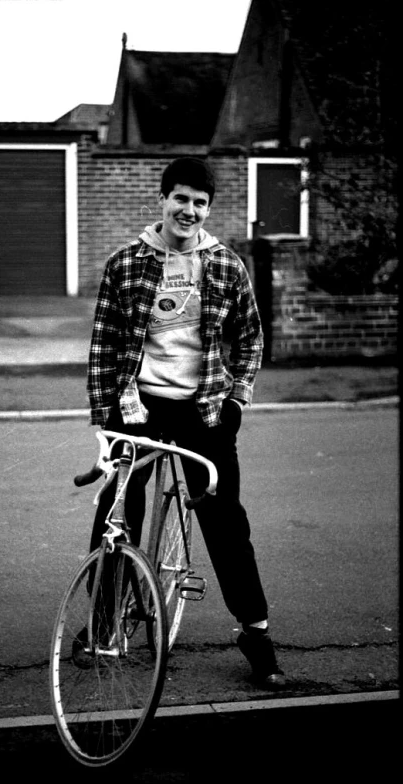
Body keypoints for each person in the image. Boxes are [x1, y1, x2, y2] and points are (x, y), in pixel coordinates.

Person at [86, 157, 284, 688]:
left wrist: (238, 400)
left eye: (200, 202)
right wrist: (104, 420)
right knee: (118, 504)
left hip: (207, 408)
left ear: (208, 208)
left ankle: (255, 630)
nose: (190, 210)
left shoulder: (224, 264)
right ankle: (102, 621)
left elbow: (250, 338)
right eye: (181, 199)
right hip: (140, 406)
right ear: (162, 199)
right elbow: (104, 344)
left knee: (224, 518)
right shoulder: (126, 263)